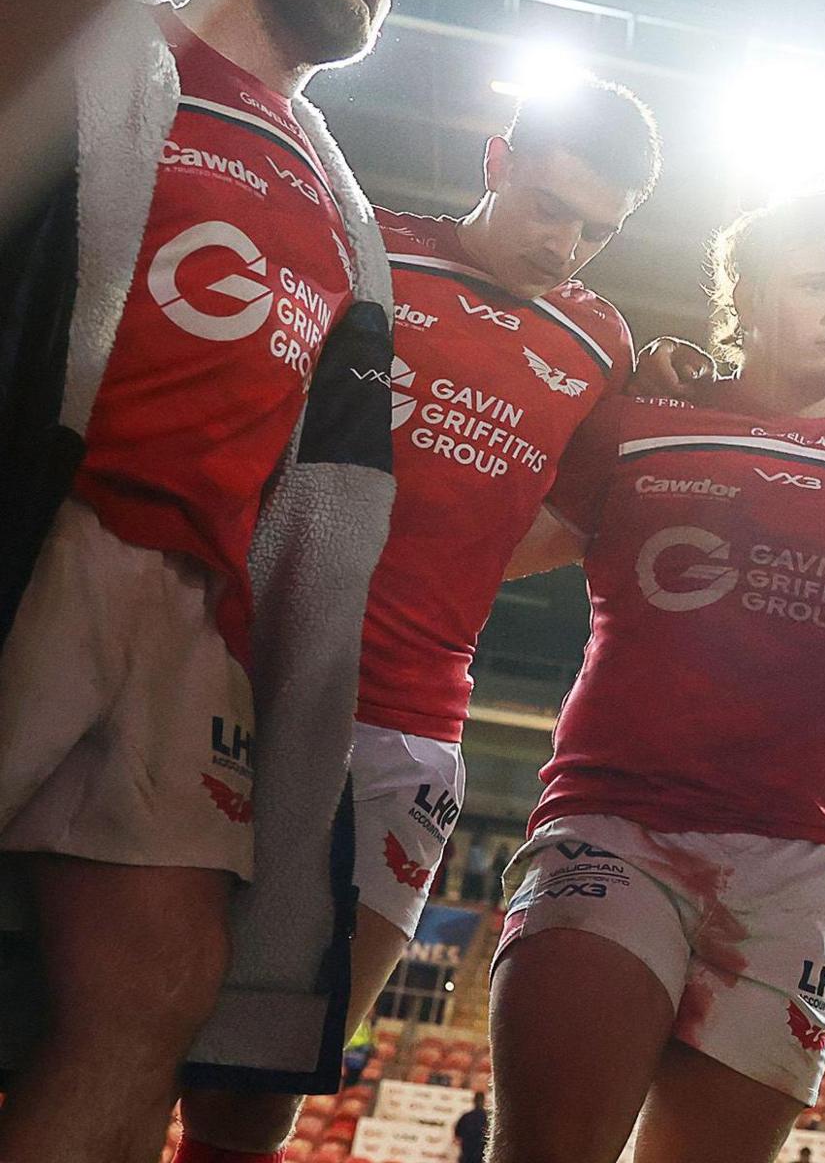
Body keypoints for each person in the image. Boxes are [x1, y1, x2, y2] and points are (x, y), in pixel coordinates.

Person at [172, 77, 662, 1161]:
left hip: (404, 724)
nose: (566, 242)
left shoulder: (598, 340)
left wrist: (451, 569)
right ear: (495, 159)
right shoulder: (364, 250)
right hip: (231, 677)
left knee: (254, 1091)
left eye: (597, 227)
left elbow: (573, 520)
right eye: (548, 205)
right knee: (106, 1024)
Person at [0, 0, 403, 1163]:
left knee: (160, 982)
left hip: (196, 606)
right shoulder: (89, 50)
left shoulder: (349, 215)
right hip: (47, 541)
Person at [486, 193, 825, 1163]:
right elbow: (473, 548)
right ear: (740, 295)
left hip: (805, 870)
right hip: (617, 830)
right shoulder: (635, 430)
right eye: (816, 283)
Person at [455, 1091, 491, 1163]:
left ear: (474, 1101)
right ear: (484, 1101)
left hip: (467, 1155)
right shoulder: (488, 1118)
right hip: (481, 1156)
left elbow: (457, 1134)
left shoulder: (466, 1116)